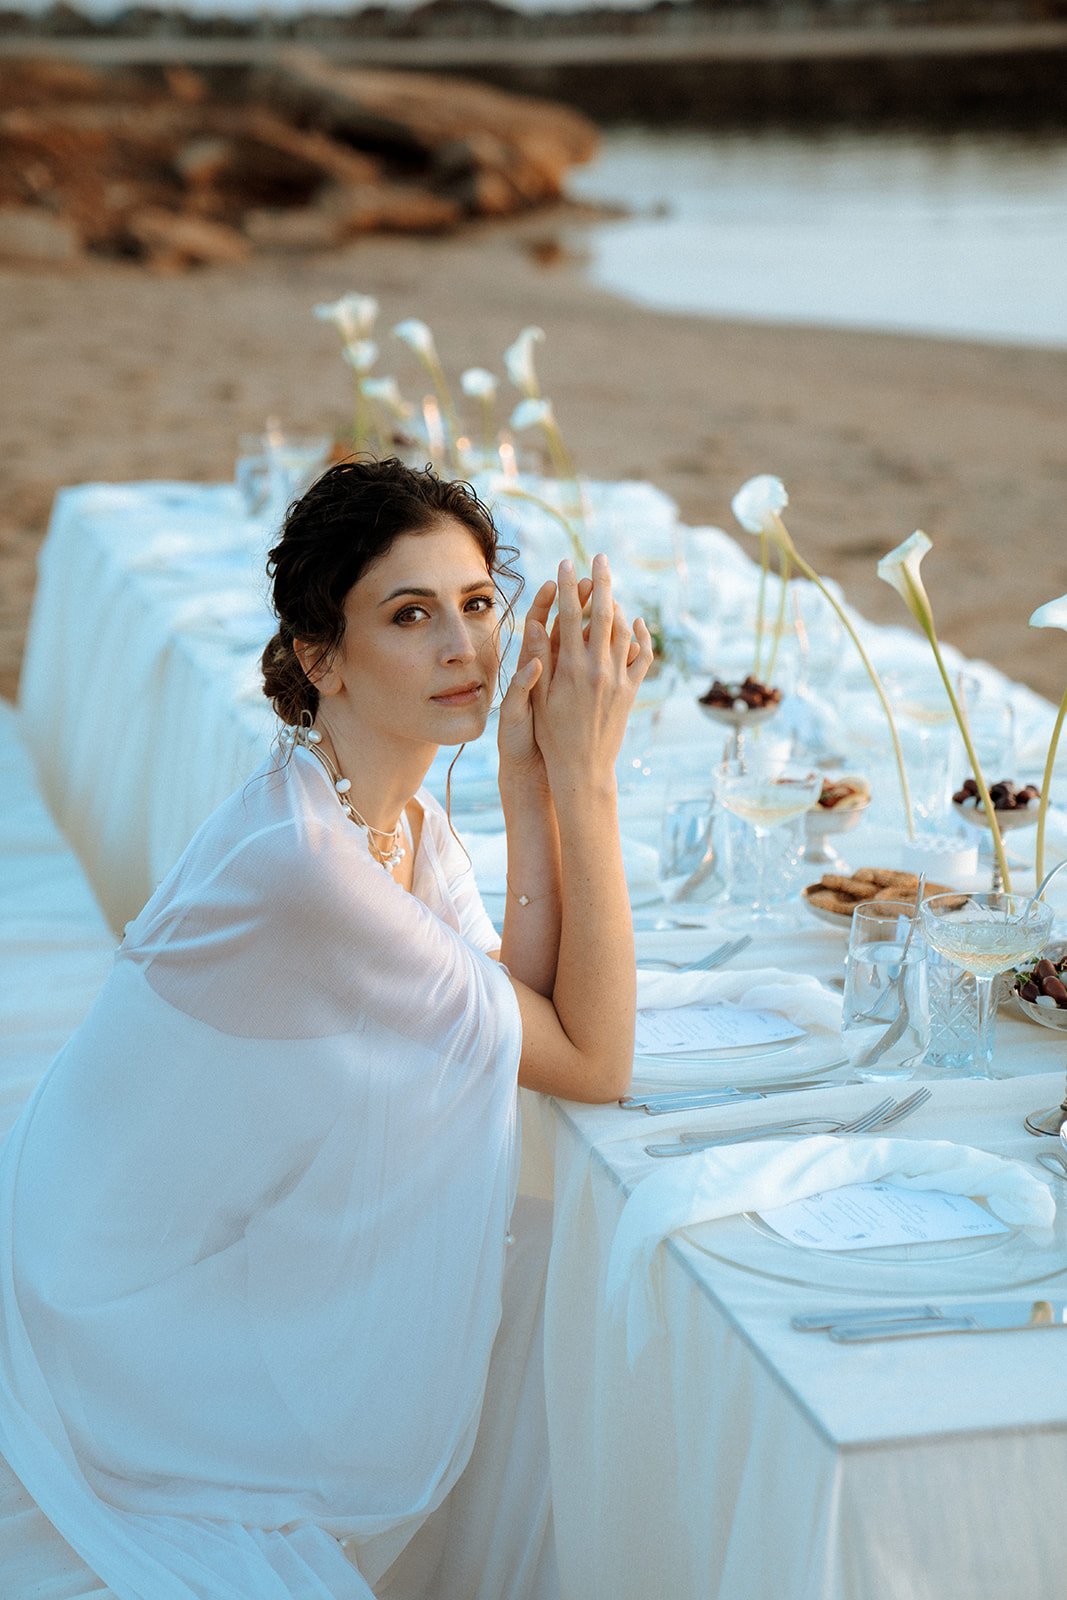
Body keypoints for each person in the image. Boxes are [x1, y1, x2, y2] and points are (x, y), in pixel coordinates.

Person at [0, 457, 652, 1599]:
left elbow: (510, 1022)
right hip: (107, 1319)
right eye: (410, 615)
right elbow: (591, 1059)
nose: (466, 647)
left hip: (180, 1238)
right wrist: (586, 779)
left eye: (477, 603)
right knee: (552, 1278)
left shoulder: (365, 802)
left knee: (550, 1262)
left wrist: (525, 780)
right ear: (320, 658)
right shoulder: (307, 868)